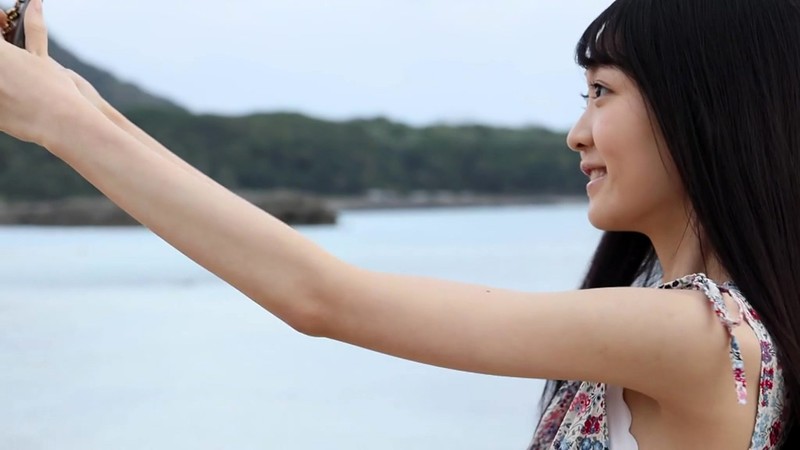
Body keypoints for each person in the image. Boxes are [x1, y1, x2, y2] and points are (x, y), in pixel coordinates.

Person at [1, 0, 796, 448]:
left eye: (602, 92)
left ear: (704, 111)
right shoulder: (706, 318)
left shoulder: (694, 335)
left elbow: (322, 298)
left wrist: (64, 126)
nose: (576, 133)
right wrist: (74, 103)